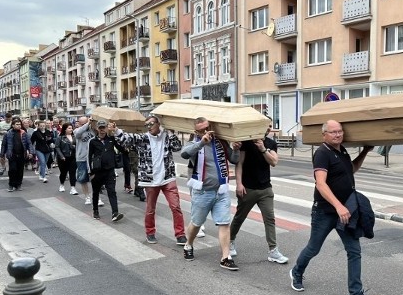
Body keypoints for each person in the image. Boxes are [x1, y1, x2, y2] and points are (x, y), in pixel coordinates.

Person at [289, 120, 377, 295]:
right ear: (324, 135)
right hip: (325, 211)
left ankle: (355, 294)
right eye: (333, 132)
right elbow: (321, 183)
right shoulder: (322, 153)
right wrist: (338, 206)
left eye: (340, 131)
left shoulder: (342, 151)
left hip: (346, 211)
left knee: (354, 251)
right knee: (314, 248)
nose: (338, 135)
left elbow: (351, 169)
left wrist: (364, 152)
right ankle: (296, 271)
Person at [180, 117, 240, 269]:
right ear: (196, 131)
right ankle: (188, 244)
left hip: (221, 191)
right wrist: (202, 142)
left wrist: (237, 149)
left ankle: (226, 257)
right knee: (196, 223)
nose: (206, 131)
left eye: (207, 128)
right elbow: (184, 154)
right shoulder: (195, 144)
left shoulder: (221, 142)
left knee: (224, 223)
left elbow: (233, 159)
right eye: (201, 130)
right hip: (203, 192)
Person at [115, 115, 185, 244]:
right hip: (150, 180)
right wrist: (116, 130)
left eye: (151, 124)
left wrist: (170, 131)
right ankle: (150, 232)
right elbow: (127, 139)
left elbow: (177, 147)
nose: (149, 127)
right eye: (146, 125)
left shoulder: (166, 136)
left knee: (176, 207)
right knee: (150, 208)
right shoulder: (143, 138)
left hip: (168, 178)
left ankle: (180, 234)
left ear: (158, 124)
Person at [229, 118, 288, 264]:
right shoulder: (246, 142)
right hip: (248, 188)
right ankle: (229, 241)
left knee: (270, 219)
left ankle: (273, 250)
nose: (268, 128)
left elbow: (273, 161)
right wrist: (239, 184)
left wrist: (263, 149)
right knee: (239, 217)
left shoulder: (270, 143)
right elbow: (239, 164)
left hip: (266, 189)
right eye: (265, 126)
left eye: (270, 126)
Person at [87, 120, 123, 222]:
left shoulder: (111, 139)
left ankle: (115, 213)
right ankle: (95, 210)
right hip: (97, 171)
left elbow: (121, 148)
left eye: (104, 128)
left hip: (110, 171)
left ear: (107, 128)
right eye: (100, 128)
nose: (102, 130)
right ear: (97, 129)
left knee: (111, 191)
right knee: (96, 192)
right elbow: (89, 157)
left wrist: (116, 132)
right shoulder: (92, 141)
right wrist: (90, 172)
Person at [74, 116, 103, 207]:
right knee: (83, 179)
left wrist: (93, 124)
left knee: (95, 178)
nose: (84, 125)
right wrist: (87, 124)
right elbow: (78, 133)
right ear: (79, 124)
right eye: (81, 124)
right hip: (81, 158)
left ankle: (97, 198)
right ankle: (87, 197)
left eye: (85, 123)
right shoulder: (77, 131)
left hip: (92, 158)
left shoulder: (93, 131)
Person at [1, 118, 30, 192]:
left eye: (20, 124)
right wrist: (2, 154)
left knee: (20, 170)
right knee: (12, 170)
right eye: (17, 124)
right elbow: (4, 144)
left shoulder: (23, 133)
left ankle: (18, 184)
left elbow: (28, 143)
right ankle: (11, 185)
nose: (19, 126)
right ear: (13, 125)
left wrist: (31, 152)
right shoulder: (8, 133)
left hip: (21, 155)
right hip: (12, 155)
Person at [54, 123, 78, 194]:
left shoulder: (74, 137)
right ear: (65, 129)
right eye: (69, 128)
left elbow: (78, 145)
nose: (71, 129)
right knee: (63, 173)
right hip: (63, 158)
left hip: (73, 157)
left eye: (71, 128)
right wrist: (61, 156)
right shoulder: (60, 137)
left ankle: (73, 187)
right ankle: (62, 184)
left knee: (72, 173)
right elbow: (57, 147)